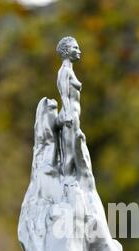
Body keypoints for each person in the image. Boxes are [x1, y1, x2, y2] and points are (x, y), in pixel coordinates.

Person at [56, 36, 82, 176]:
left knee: (75, 151)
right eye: (75, 47)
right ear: (66, 51)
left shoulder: (69, 70)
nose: (79, 50)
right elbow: (64, 95)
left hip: (74, 114)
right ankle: (66, 187)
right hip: (70, 115)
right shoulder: (64, 71)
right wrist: (67, 114)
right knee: (70, 153)